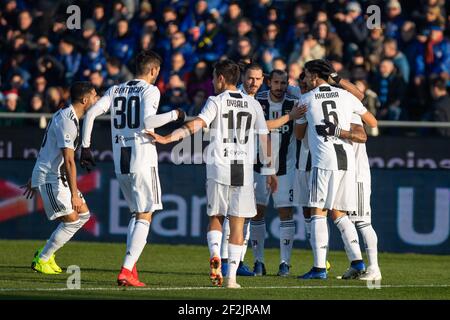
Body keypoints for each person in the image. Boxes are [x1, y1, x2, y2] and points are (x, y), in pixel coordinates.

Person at [148, 59, 277, 288]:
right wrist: (270, 170)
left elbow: (197, 124)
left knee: (216, 217)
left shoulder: (215, 101)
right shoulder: (253, 104)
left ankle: (216, 254)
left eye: (213, 77)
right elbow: (264, 138)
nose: (212, 82)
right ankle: (232, 278)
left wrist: (168, 138)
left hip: (219, 164)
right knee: (238, 224)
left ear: (220, 78)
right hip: (243, 169)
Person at [80, 50, 185, 287]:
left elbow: (91, 113)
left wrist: (85, 147)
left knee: (136, 213)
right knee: (146, 215)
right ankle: (126, 270)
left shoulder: (116, 89)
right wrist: (175, 114)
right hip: (142, 158)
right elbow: (149, 122)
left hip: (121, 160)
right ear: (153, 70)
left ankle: (132, 268)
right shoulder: (150, 90)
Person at [295, 59, 376, 280]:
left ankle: (319, 268)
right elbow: (372, 121)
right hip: (347, 160)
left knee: (317, 212)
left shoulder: (306, 99)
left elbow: (299, 135)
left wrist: (299, 119)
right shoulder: (346, 96)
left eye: (306, 75)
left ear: (313, 76)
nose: (306, 79)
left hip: (325, 160)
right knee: (338, 212)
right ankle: (358, 262)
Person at [21, 82, 98, 274]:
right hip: (51, 177)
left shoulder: (66, 115)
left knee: (83, 215)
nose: (97, 99)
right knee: (72, 220)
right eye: (95, 96)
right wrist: (74, 194)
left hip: (57, 174)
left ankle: (47, 252)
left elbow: (47, 148)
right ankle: (43, 258)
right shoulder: (67, 121)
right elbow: (69, 161)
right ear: (85, 100)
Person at [251, 69, 300, 277]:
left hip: (285, 168)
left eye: (283, 83)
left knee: (285, 213)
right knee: (257, 213)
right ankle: (258, 262)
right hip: (259, 167)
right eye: (276, 83)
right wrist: (290, 117)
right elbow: (260, 127)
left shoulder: (293, 102)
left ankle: (284, 263)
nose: (279, 87)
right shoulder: (257, 102)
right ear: (269, 83)